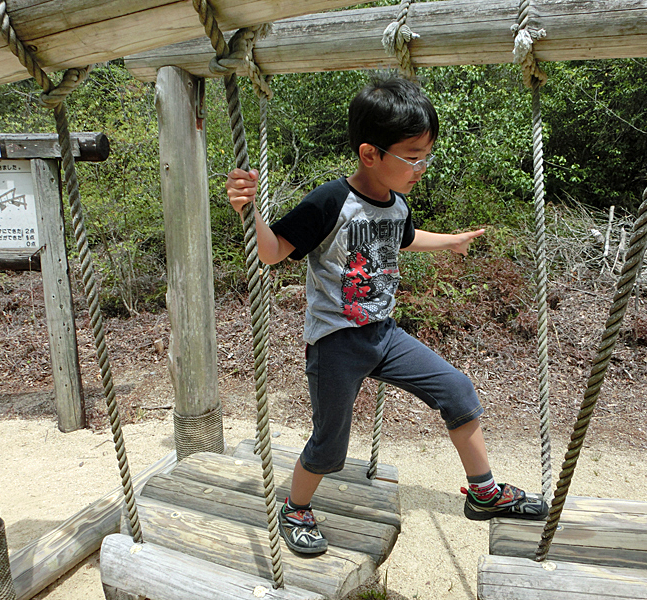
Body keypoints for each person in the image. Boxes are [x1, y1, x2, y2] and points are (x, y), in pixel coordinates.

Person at [226, 76, 547, 555]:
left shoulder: (396, 203)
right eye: (413, 156)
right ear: (370, 154)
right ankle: (295, 507)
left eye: (426, 155)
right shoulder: (330, 201)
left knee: (456, 389)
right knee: (331, 443)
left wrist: (451, 241)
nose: (422, 167)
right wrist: (247, 209)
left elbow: (405, 236)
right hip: (336, 342)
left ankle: (483, 493)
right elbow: (273, 251)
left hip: (384, 335)